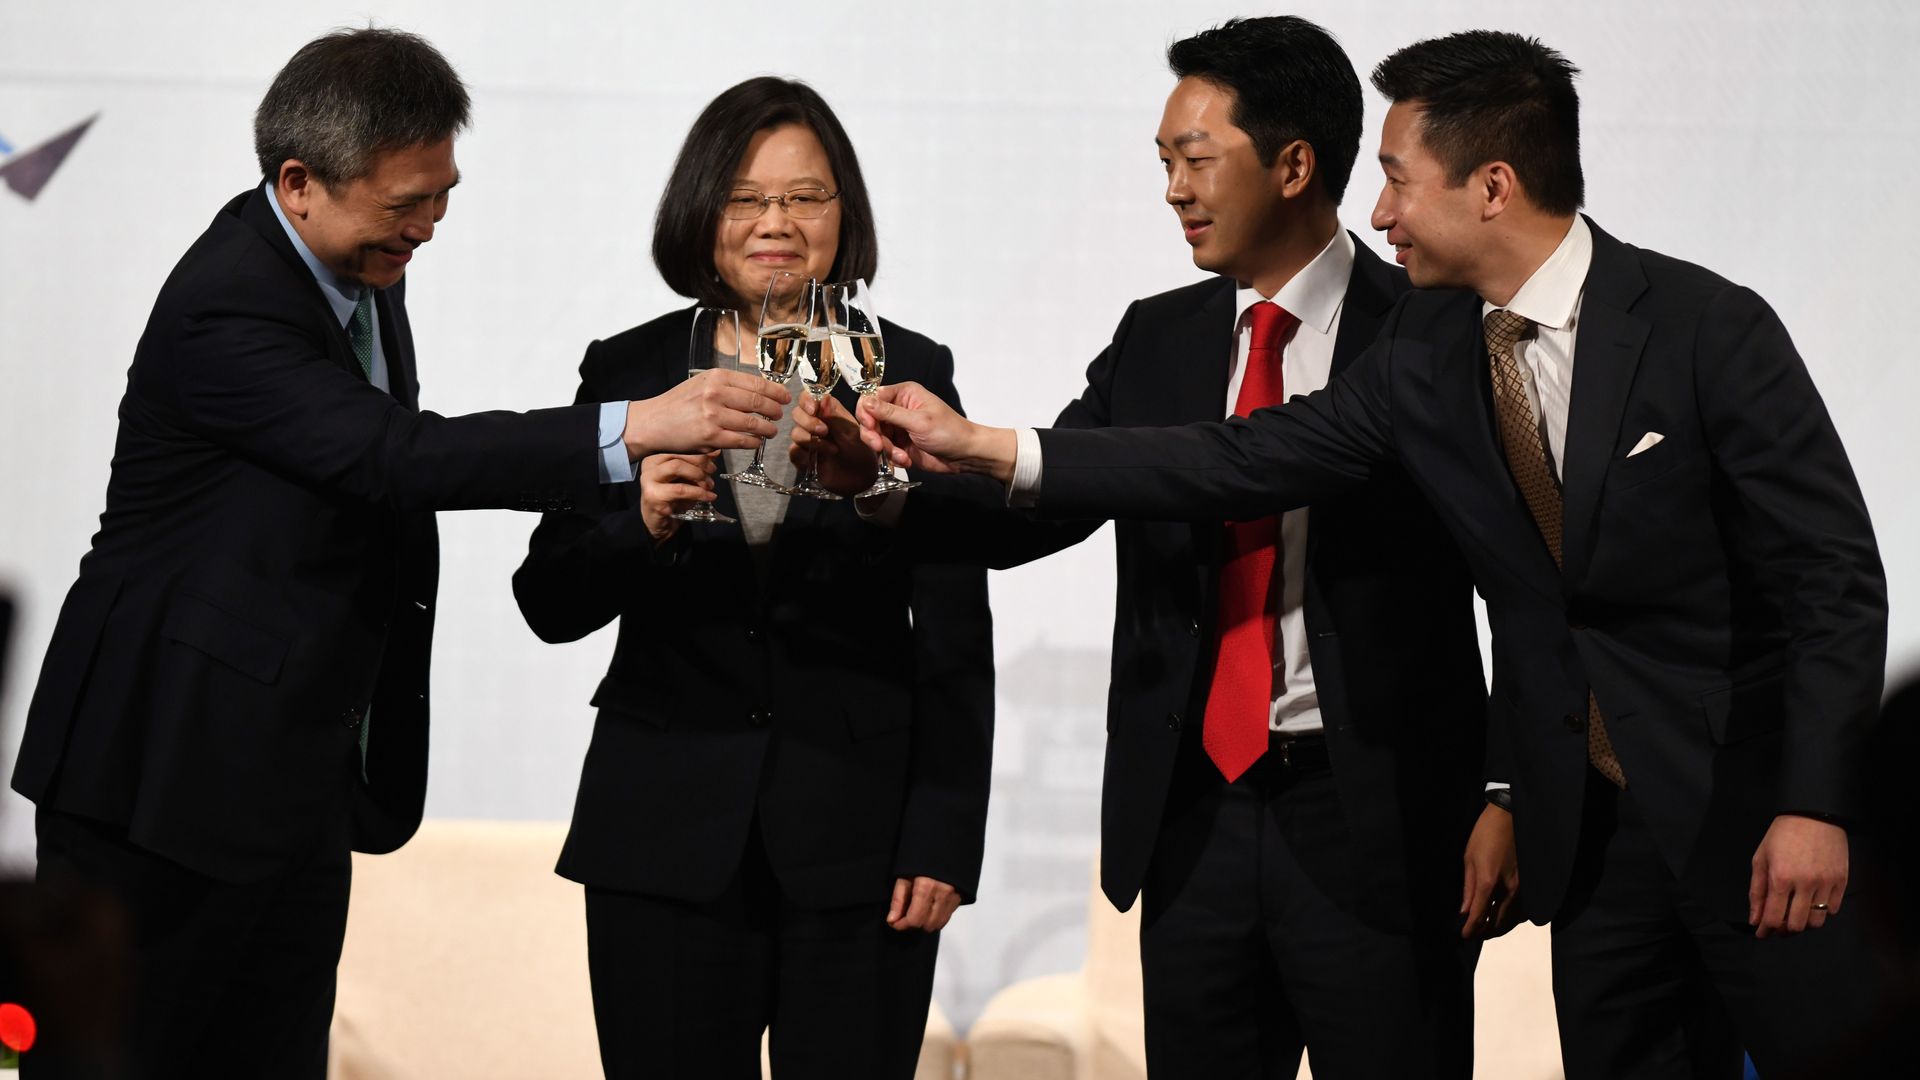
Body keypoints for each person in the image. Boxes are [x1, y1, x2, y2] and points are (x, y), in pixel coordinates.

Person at [856, 29, 1905, 1080]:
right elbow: (1246, 458)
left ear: (1490, 186)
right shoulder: (1431, 352)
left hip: (1748, 820)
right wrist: (979, 446)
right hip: (1588, 844)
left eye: (1400, 180)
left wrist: (1814, 802)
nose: (1382, 210)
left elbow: (1832, 579)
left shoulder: (1703, 327)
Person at [9, 28, 785, 1077]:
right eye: (403, 203)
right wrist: (634, 427)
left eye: (441, 195)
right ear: (299, 184)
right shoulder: (228, 303)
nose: (427, 227)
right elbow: (392, 454)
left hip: (287, 776)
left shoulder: (360, 266)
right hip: (166, 772)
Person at [802, 17, 1503, 1079]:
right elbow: (1046, 503)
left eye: (1196, 159)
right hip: (1194, 819)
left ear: (1294, 164)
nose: (1174, 189)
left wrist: (1507, 793)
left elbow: (1525, 588)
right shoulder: (1158, 335)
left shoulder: (1431, 330)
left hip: (1381, 823)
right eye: (1164, 163)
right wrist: (887, 489)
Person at [510, 76, 993, 1080]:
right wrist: (640, 519)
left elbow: (954, 625)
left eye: (805, 197)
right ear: (703, 211)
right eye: (746, 197)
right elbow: (547, 598)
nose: (776, 222)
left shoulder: (906, 369)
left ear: (843, 215)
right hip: (663, 831)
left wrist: (944, 834)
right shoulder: (632, 370)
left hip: (862, 844)